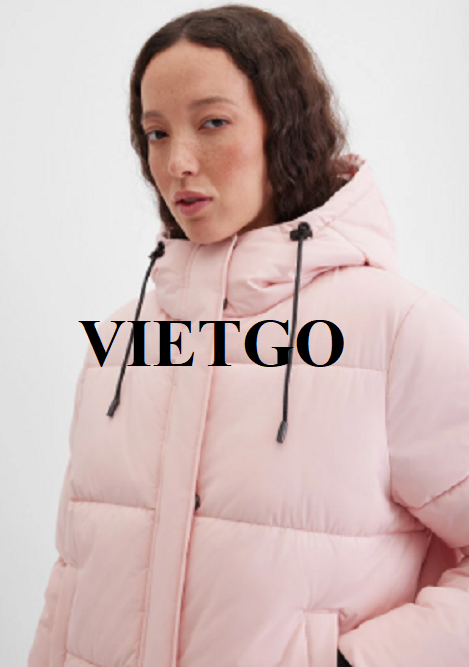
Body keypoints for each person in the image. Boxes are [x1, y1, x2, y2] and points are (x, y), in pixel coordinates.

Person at [27, 5, 469, 667]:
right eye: (156, 133)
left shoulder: (396, 331)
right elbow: (71, 575)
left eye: (212, 123)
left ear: (283, 129)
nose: (177, 162)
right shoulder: (119, 343)